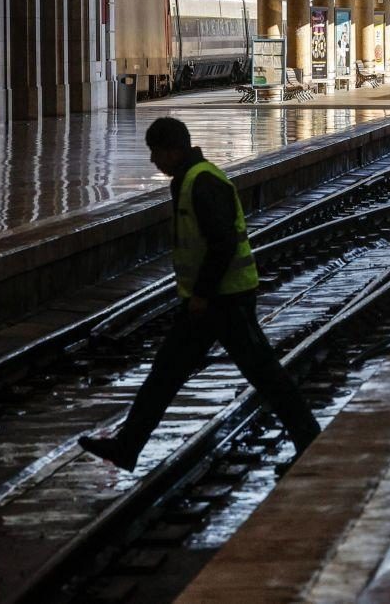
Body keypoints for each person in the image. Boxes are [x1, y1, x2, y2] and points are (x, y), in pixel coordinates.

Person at [79, 118, 320, 473]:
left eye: (155, 152)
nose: (152, 161)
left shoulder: (203, 182)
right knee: (166, 373)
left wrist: (202, 294)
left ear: (172, 150)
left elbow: (222, 244)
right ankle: (127, 447)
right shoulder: (188, 180)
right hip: (208, 301)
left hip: (227, 300)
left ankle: (309, 439)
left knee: (264, 373)